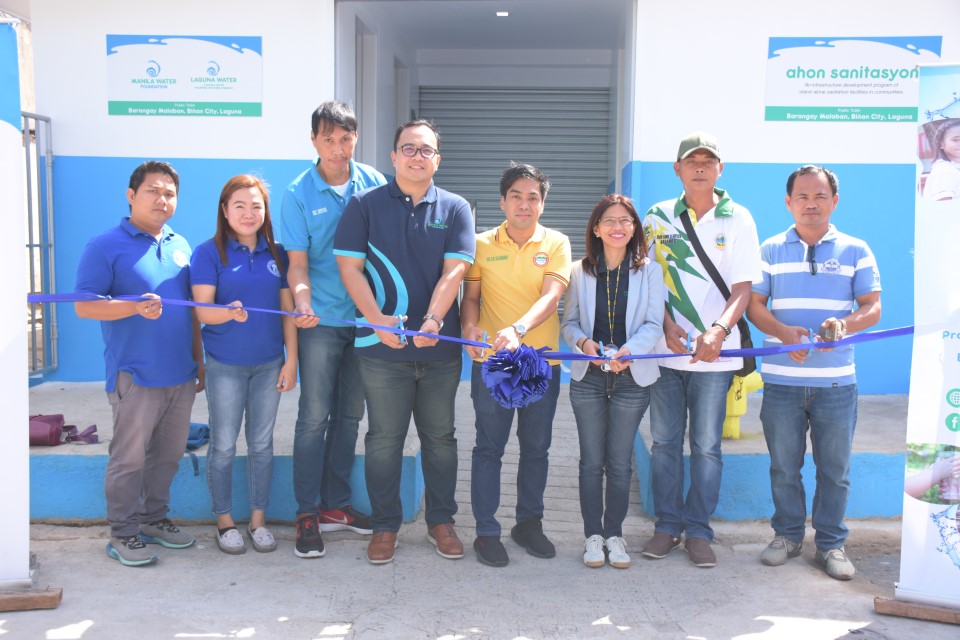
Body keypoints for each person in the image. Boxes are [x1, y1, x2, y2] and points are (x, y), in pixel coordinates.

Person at [334, 119, 476, 564]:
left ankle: (441, 521)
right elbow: (350, 269)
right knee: (383, 439)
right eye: (408, 148)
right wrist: (376, 321)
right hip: (381, 352)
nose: (417, 156)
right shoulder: (363, 206)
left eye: (426, 150)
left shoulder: (455, 208)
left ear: (438, 159)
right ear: (393, 156)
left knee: (440, 438)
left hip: (441, 350)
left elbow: (455, 271)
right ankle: (384, 526)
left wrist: (434, 319)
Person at [747, 165, 882, 580]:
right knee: (784, 467)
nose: (811, 203)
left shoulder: (856, 249)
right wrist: (782, 332)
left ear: (834, 201)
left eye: (819, 196)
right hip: (782, 383)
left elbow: (873, 307)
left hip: (836, 383)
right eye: (802, 196)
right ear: (788, 202)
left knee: (834, 470)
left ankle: (830, 544)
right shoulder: (769, 249)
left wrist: (846, 325)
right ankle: (786, 536)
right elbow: (755, 306)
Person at [641, 132, 762, 568]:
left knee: (707, 445)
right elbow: (649, 282)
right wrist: (667, 325)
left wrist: (716, 331)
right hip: (663, 351)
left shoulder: (739, 219)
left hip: (716, 355)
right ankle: (667, 526)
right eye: (691, 160)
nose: (699, 166)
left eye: (708, 160)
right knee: (666, 442)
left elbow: (744, 287)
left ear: (719, 169)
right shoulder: (656, 217)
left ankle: (698, 530)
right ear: (677, 169)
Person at [74, 161, 203, 567]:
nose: (162, 199)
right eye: (153, 191)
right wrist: (131, 307)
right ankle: (124, 533)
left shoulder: (182, 245)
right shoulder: (104, 245)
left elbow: (193, 312)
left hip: (180, 376)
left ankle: (153, 519)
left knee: (168, 456)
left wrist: (198, 363)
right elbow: (83, 305)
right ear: (131, 196)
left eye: (169, 193)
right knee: (129, 458)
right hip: (135, 375)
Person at [280, 100, 387, 558]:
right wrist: (303, 302)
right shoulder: (297, 193)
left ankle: (336, 505)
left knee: (350, 417)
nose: (339, 149)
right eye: (329, 139)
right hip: (321, 321)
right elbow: (297, 265)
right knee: (314, 417)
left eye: (346, 139)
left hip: (365, 322)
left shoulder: (375, 183)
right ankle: (307, 512)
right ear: (314, 141)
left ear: (355, 138)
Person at [461, 162, 571, 567]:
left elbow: (551, 297)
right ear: (502, 201)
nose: (524, 205)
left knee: (536, 448)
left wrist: (520, 328)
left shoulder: (557, 243)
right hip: (494, 363)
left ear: (542, 203)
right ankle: (486, 532)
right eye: (516, 197)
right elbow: (469, 297)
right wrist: (470, 328)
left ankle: (529, 523)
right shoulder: (481, 243)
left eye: (533, 198)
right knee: (489, 448)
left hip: (540, 362)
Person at [191, 175, 298, 555]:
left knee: (261, 444)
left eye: (256, 205)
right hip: (225, 365)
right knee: (222, 445)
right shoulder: (208, 253)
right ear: (224, 210)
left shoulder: (278, 253)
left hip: (269, 364)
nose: (248, 213)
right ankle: (224, 522)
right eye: (239, 205)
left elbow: (288, 311)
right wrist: (226, 314)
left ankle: (257, 521)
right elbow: (202, 311)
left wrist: (291, 361)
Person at [561, 194, 664, 569]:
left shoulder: (649, 271)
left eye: (625, 220)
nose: (617, 227)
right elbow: (568, 322)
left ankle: (615, 535)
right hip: (588, 377)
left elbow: (654, 323)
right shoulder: (579, 270)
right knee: (591, 461)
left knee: (620, 463)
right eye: (609, 220)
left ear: (634, 228)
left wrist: (629, 351)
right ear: (595, 228)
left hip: (632, 377)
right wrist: (583, 343)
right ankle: (592, 535)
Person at [923, 118, 960, 201]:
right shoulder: (945, 171)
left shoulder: (954, 168)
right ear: (941, 144)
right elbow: (943, 209)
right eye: (955, 140)